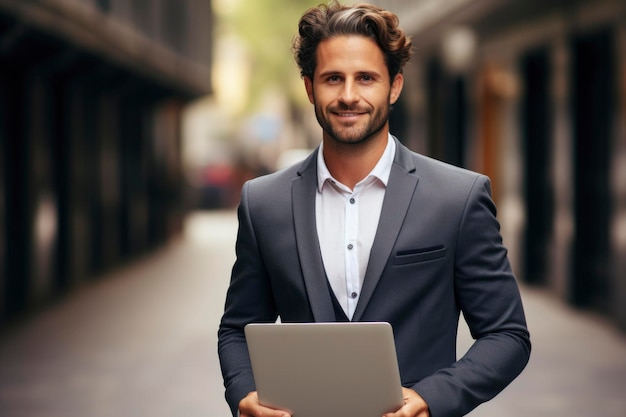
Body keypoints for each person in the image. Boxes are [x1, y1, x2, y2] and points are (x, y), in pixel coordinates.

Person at [218, 2, 531, 417]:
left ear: (394, 86)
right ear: (310, 88)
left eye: (366, 78)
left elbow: (507, 334)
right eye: (333, 79)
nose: (349, 96)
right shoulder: (263, 203)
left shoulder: (458, 197)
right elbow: (236, 328)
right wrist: (244, 392)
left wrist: (432, 398)